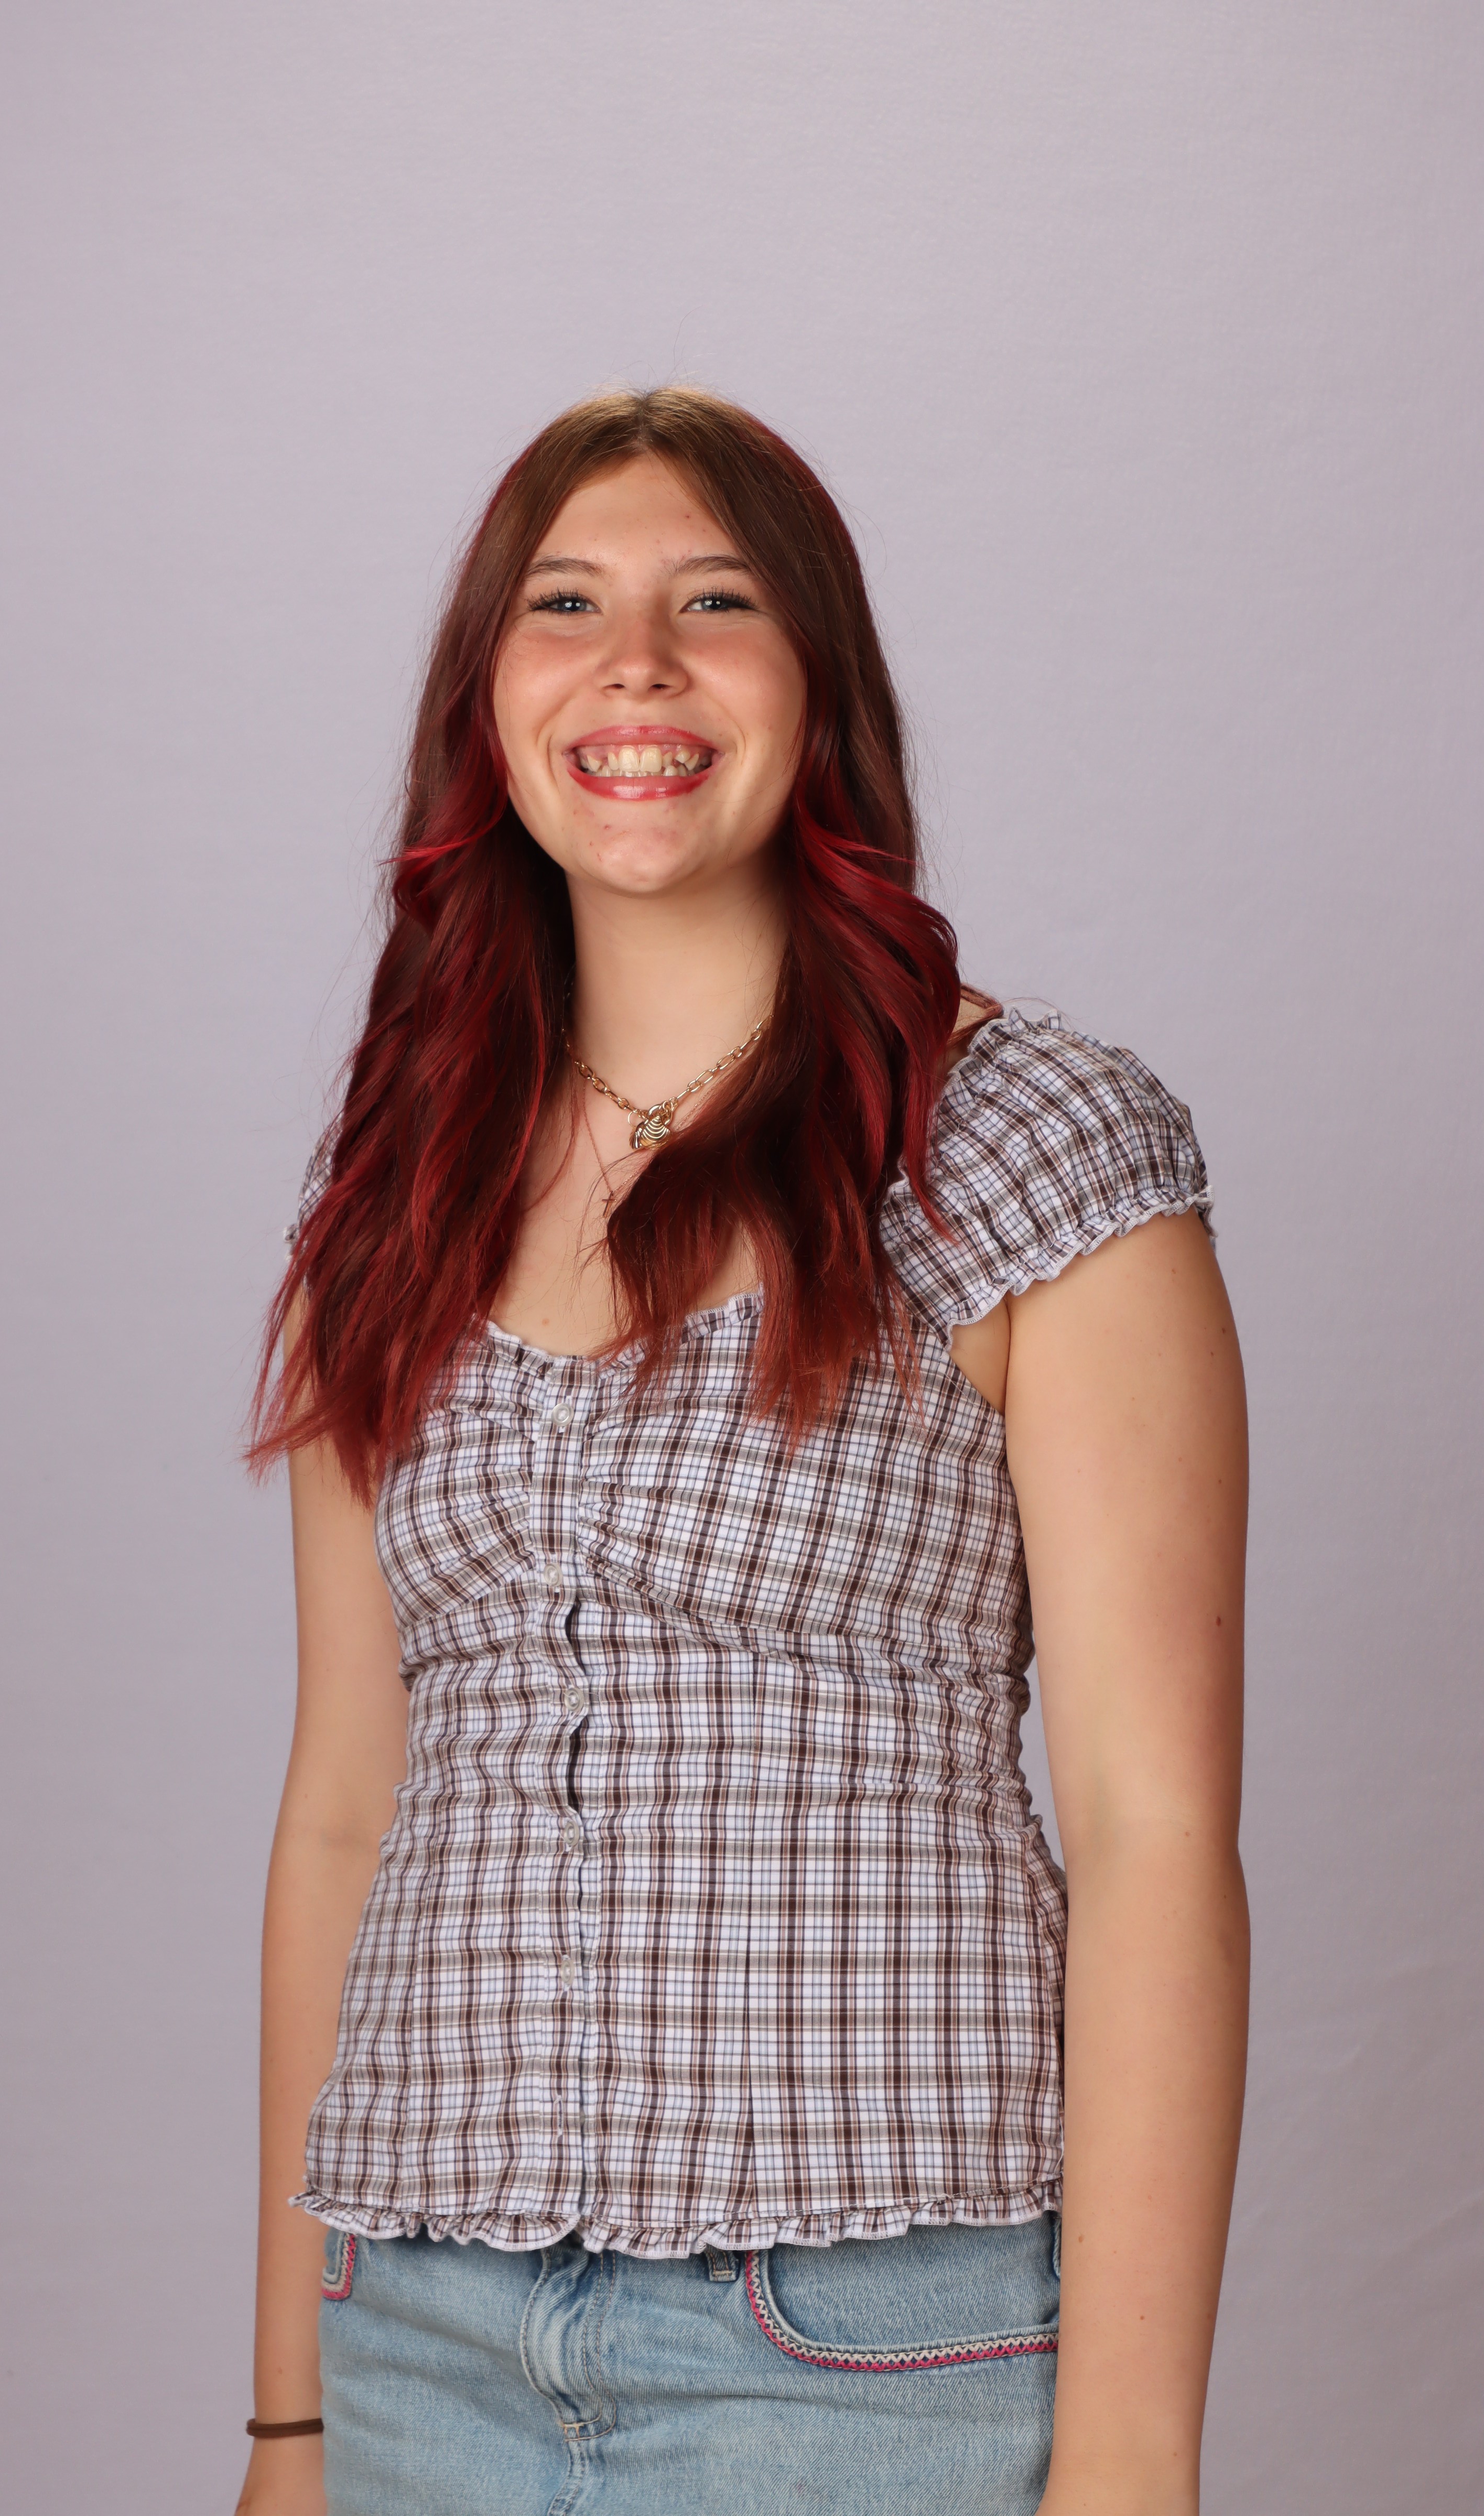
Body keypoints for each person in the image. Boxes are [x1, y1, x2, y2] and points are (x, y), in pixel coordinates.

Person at [235, 386, 1249, 2516]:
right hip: (420, 2335)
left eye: (714, 604)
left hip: (869, 2350)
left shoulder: (1023, 1148)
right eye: (563, 606)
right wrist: (291, 2422)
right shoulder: (400, 1194)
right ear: (486, 700)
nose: (635, 665)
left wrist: (1132, 2459)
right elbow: (340, 1816)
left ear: (818, 688)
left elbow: (1152, 1831)